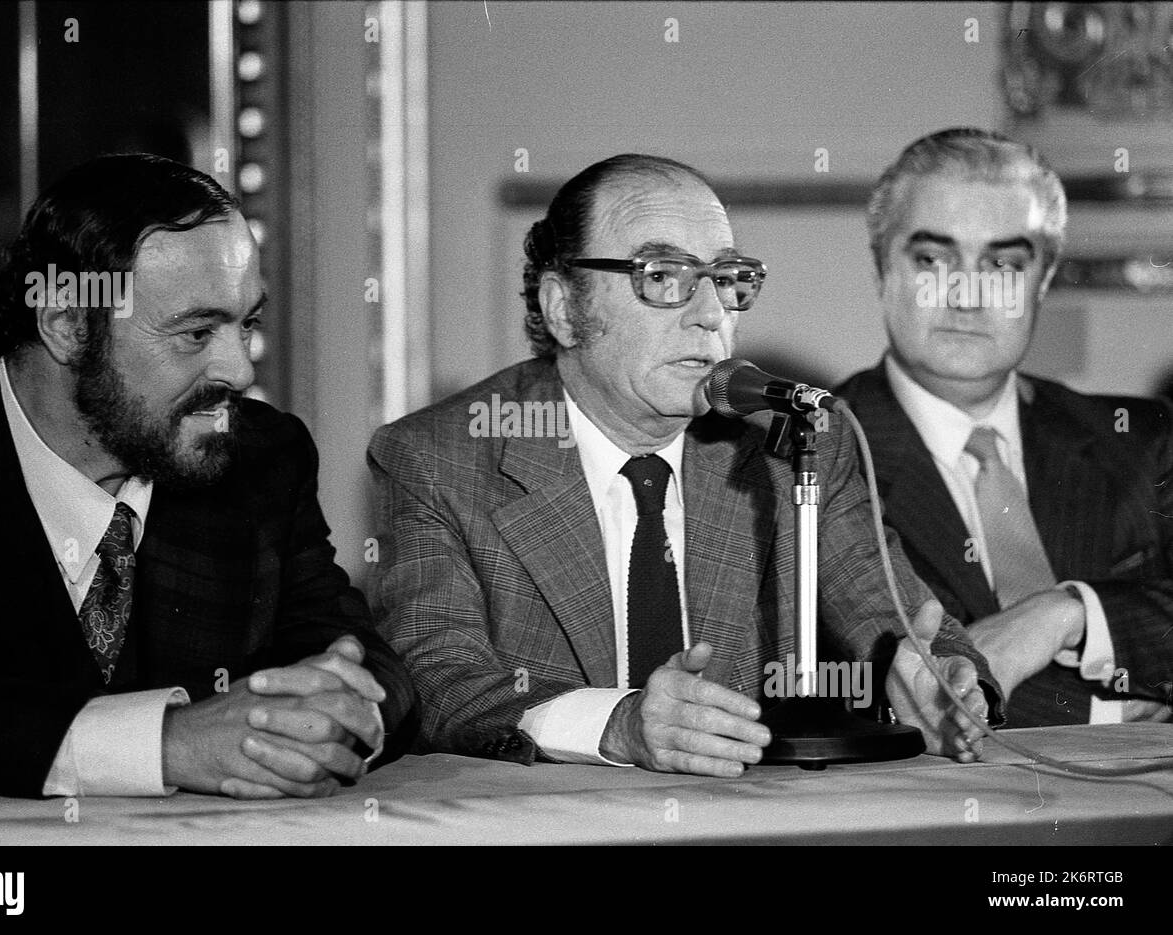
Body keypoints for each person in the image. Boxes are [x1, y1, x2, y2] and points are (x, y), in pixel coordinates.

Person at [368, 153, 997, 777]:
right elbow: (436, 678)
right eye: (663, 277)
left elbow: (900, 625)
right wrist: (617, 723)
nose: (710, 314)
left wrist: (941, 683)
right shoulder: (441, 457)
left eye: (726, 278)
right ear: (563, 309)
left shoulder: (793, 441)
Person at [0, 153, 417, 798]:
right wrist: (161, 744)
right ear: (67, 324)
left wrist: (335, 716)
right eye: (195, 332)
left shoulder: (260, 457)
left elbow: (357, 656)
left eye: (248, 325)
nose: (239, 371)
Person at [837, 128, 1173, 727]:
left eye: (1002, 264)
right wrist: (1108, 709)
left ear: (1043, 279)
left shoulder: (1144, 440)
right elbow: (836, 684)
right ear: (880, 268)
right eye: (933, 259)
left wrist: (1066, 612)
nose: (967, 295)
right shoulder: (808, 453)